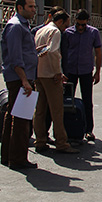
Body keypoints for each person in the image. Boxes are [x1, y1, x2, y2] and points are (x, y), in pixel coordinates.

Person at [0, 0, 38, 170]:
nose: (33, 9)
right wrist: (24, 80)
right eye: (30, 6)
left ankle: (8, 155)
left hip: (23, 78)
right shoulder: (16, 27)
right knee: (22, 121)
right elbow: (15, 58)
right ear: (20, 8)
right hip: (20, 80)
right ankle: (17, 159)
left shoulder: (23, 26)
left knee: (13, 118)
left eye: (34, 6)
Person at [33, 10, 79, 154]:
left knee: (39, 110)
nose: (66, 28)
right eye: (66, 24)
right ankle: (61, 143)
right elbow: (53, 52)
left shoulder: (40, 30)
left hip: (39, 74)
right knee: (57, 111)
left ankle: (40, 140)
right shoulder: (55, 32)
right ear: (60, 22)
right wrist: (57, 72)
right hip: (50, 75)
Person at [61, 9, 102, 141]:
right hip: (70, 71)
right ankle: (65, 128)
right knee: (67, 100)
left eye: (83, 25)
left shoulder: (93, 33)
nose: (80, 27)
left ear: (87, 22)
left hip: (86, 71)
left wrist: (98, 72)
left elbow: (98, 52)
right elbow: (62, 53)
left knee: (87, 101)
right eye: (78, 24)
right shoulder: (68, 33)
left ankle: (88, 129)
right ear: (75, 21)